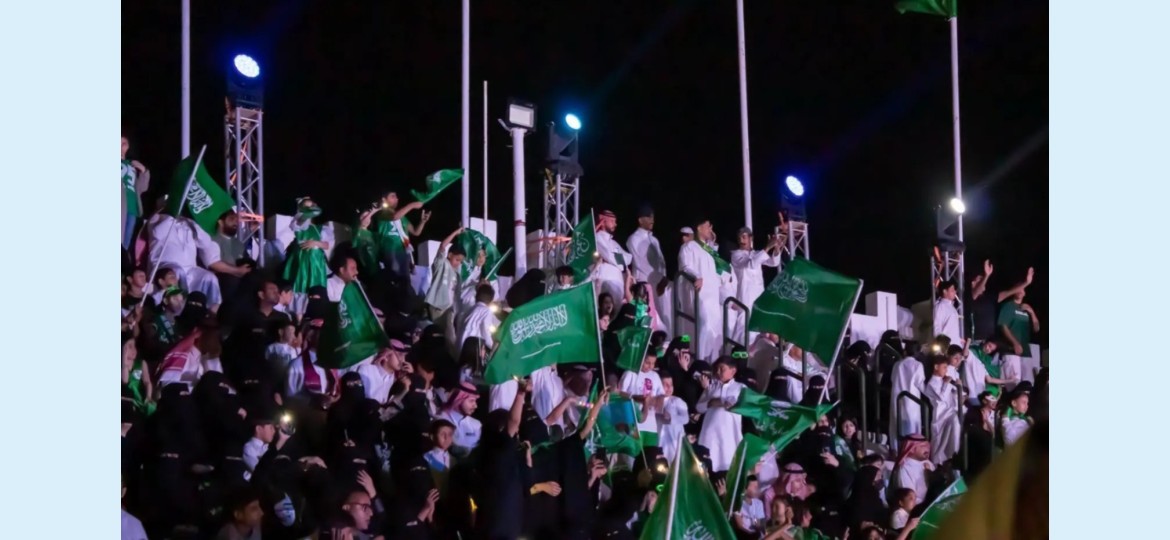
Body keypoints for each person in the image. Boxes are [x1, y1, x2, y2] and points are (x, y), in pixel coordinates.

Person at [146, 210, 251, 313]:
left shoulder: (189, 222)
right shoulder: (159, 218)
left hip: (190, 269)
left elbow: (206, 243)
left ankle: (214, 312)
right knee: (178, 272)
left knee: (209, 278)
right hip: (164, 267)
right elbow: (157, 232)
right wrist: (173, 213)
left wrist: (194, 226)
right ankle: (178, 311)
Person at [678, 220, 724, 361]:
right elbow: (685, 266)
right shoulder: (689, 246)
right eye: (708, 226)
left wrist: (712, 242)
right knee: (703, 324)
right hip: (699, 295)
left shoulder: (707, 249)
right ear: (699, 228)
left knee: (715, 332)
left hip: (713, 297)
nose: (710, 229)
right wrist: (697, 276)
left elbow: (718, 264)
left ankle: (711, 364)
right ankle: (699, 360)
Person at [730, 220, 783, 343]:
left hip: (758, 298)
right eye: (739, 237)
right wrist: (767, 247)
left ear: (751, 238)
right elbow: (751, 264)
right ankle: (738, 351)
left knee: (759, 332)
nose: (741, 240)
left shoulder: (756, 254)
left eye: (744, 237)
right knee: (744, 330)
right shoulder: (736, 255)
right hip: (745, 298)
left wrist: (776, 249)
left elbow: (774, 262)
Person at [625, 204, 673, 335]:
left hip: (659, 284)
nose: (652, 219)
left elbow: (661, 262)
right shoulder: (633, 238)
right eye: (649, 217)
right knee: (648, 317)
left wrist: (663, 278)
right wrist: (659, 278)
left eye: (653, 217)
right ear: (640, 220)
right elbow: (640, 262)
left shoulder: (654, 240)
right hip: (645, 283)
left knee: (663, 315)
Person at [282, 197, 332, 318]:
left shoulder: (320, 228)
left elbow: (326, 245)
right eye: (306, 206)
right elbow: (301, 221)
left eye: (310, 206)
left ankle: (316, 314)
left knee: (315, 286)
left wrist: (314, 243)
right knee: (301, 285)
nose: (308, 209)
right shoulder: (299, 223)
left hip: (316, 262)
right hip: (302, 260)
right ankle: (298, 318)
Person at [696, 356, 745, 472]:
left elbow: (743, 405)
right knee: (706, 464)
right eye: (717, 369)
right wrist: (711, 402)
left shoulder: (740, 388)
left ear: (733, 371)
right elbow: (699, 407)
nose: (718, 372)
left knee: (727, 463)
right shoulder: (712, 387)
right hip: (710, 432)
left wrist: (724, 402)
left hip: (729, 433)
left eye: (722, 369)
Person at [423, 226, 467, 351]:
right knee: (444, 335)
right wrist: (456, 232)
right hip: (438, 307)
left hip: (449, 308)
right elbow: (442, 246)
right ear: (450, 254)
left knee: (448, 334)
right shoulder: (441, 264)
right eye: (457, 259)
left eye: (461, 261)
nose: (458, 263)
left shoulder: (457, 274)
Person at [372, 190, 430, 280]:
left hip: (404, 251)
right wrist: (412, 205)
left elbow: (416, 232)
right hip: (391, 251)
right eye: (392, 196)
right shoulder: (381, 213)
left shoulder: (402, 217)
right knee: (395, 279)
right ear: (384, 200)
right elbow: (394, 217)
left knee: (405, 281)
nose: (396, 198)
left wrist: (422, 222)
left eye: (396, 196)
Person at [998, 282, 1040, 392]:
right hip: (1011, 351)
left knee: (1028, 385)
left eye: (1023, 289)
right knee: (1014, 385)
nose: (1020, 291)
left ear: (1025, 293)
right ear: (1013, 291)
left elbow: (1036, 328)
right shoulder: (1008, 306)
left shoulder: (1026, 308)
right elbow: (1003, 326)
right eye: (1018, 288)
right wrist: (1015, 343)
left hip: (1026, 352)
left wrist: (1032, 312)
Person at [618, 351, 665, 446]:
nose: (650, 366)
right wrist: (636, 398)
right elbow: (619, 393)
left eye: (653, 363)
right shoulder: (630, 373)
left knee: (651, 453)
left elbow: (661, 397)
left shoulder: (655, 376)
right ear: (640, 359)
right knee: (633, 452)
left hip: (651, 426)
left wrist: (653, 401)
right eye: (647, 362)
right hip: (633, 424)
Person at [923, 355, 962, 465]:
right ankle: (936, 465)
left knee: (954, 429)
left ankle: (954, 457)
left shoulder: (944, 380)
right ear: (936, 367)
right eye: (944, 367)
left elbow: (955, 392)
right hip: (939, 416)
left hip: (950, 412)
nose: (946, 370)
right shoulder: (931, 383)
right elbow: (941, 397)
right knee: (939, 442)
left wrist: (958, 386)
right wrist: (946, 384)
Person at [593, 210, 634, 304]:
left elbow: (626, 260)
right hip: (604, 280)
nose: (615, 224)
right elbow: (609, 256)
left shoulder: (613, 243)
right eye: (612, 221)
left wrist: (617, 259)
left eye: (615, 222)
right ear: (603, 221)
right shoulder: (597, 238)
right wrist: (617, 259)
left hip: (618, 282)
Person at [888, 349, 925, 447]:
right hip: (912, 400)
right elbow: (920, 384)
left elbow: (892, 379)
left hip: (897, 397)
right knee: (912, 426)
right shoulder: (918, 365)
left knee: (897, 423)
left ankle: (896, 448)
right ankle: (910, 449)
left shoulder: (897, 364)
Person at [121, 133, 151, 252]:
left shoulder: (131, 165)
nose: (121, 146)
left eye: (124, 143)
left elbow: (141, 188)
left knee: (125, 244)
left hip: (132, 208)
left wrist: (144, 171)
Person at [437, 382, 481, 458]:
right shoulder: (441, 420)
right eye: (471, 401)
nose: (475, 406)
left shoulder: (476, 424)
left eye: (475, 401)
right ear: (459, 400)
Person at [890, 434, 933, 507]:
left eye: (927, 446)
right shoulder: (904, 468)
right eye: (922, 446)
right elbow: (908, 497)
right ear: (911, 448)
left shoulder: (928, 463)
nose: (927, 449)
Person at [656, 373, 690, 461]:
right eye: (665, 385)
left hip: (673, 439)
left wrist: (671, 417)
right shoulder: (654, 401)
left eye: (671, 384)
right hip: (658, 438)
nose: (669, 387)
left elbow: (685, 418)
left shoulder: (676, 401)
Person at [456, 284, 499, 350]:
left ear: (476, 296)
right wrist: (492, 346)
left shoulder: (470, 309)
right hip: (470, 347)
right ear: (491, 300)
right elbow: (485, 331)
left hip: (460, 345)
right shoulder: (486, 311)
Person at [933, 280, 963, 347]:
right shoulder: (940, 306)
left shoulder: (952, 308)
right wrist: (941, 343)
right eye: (952, 290)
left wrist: (959, 339)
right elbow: (936, 327)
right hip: (946, 345)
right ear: (945, 291)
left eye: (954, 290)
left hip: (956, 344)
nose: (955, 292)